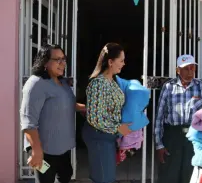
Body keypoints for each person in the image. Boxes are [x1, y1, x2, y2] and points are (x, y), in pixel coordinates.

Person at [20, 44, 86, 183]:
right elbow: (28, 121)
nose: (62, 63)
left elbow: (67, 104)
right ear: (45, 62)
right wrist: (36, 151)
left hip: (63, 148)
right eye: (57, 59)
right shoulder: (36, 84)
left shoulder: (62, 82)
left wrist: (86, 109)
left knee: (66, 176)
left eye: (64, 59)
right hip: (44, 150)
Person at [154, 54, 202, 183]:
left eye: (192, 68)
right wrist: (159, 145)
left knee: (190, 174)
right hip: (172, 136)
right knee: (169, 175)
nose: (190, 72)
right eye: (186, 69)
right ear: (178, 70)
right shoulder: (168, 87)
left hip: (194, 136)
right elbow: (159, 117)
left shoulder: (201, 87)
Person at [82, 43, 132, 183]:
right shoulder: (98, 84)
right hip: (99, 137)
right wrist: (118, 128)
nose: (124, 63)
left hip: (107, 137)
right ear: (110, 62)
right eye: (121, 60)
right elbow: (95, 118)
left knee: (106, 176)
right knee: (103, 178)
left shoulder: (113, 82)